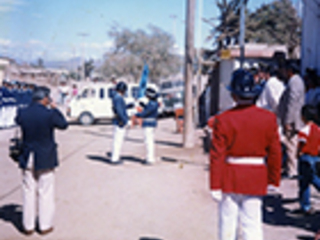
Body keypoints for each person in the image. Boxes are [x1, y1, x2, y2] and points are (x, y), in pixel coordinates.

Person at [210, 69, 282, 240]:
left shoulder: (224, 119)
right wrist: (274, 179)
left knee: (227, 223)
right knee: (252, 223)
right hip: (256, 176)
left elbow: (217, 155)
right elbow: (275, 152)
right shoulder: (268, 118)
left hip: (230, 175)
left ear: (234, 95)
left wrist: (215, 184)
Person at [15, 86, 68, 235]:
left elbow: (18, 120)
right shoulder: (49, 114)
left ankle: (28, 226)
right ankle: (44, 225)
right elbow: (63, 125)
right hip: (45, 156)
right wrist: (55, 108)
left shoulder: (23, 112)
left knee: (28, 191)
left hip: (27, 156)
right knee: (45, 191)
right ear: (45, 98)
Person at [278, 62, 305, 178]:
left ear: (290, 71)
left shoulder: (294, 82)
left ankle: (292, 170)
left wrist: (288, 121)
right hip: (293, 119)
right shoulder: (296, 81)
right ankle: (291, 169)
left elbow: (292, 103)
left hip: (293, 121)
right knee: (291, 145)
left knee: (291, 145)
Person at [296, 104, 320, 214]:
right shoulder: (318, 129)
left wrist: (298, 153)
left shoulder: (304, 130)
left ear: (303, 117)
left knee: (305, 181)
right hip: (316, 156)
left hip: (305, 157)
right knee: (311, 178)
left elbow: (302, 143)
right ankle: (305, 205)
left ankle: (305, 206)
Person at [135, 87, 159, 165]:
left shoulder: (151, 103)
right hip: (152, 123)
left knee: (148, 141)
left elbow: (145, 113)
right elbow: (147, 109)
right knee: (150, 141)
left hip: (148, 123)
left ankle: (150, 159)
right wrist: (143, 105)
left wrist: (136, 114)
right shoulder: (153, 102)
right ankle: (150, 157)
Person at [111, 81, 131, 164]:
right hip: (119, 121)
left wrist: (128, 106)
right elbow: (119, 111)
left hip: (118, 120)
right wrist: (126, 121)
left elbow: (121, 108)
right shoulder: (118, 98)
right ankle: (115, 159)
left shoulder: (117, 97)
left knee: (118, 140)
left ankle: (115, 157)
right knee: (118, 141)